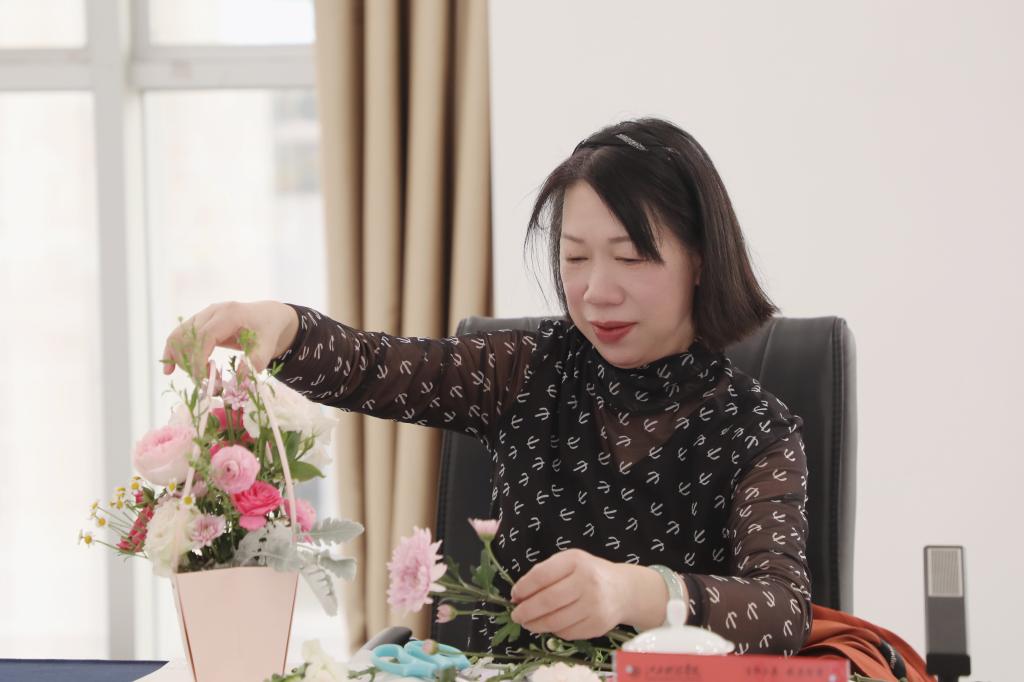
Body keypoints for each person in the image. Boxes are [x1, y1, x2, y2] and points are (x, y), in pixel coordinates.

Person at [162, 118, 811, 656]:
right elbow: (376, 367)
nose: (595, 291)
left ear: (699, 258)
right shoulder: (526, 371)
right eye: (575, 257)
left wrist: (638, 592)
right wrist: (286, 327)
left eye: (630, 257)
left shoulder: (757, 429)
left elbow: (783, 609)